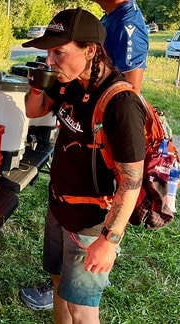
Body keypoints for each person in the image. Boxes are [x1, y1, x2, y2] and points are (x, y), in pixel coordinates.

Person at [19, 0, 150, 310]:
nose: (50, 60)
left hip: (92, 222)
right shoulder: (68, 82)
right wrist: (37, 89)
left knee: (82, 310)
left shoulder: (120, 103)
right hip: (59, 206)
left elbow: (132, 182)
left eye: (59, 53)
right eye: (48, 52)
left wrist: (109, 240)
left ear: (90, 50)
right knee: (58, 285)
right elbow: (33, 111)